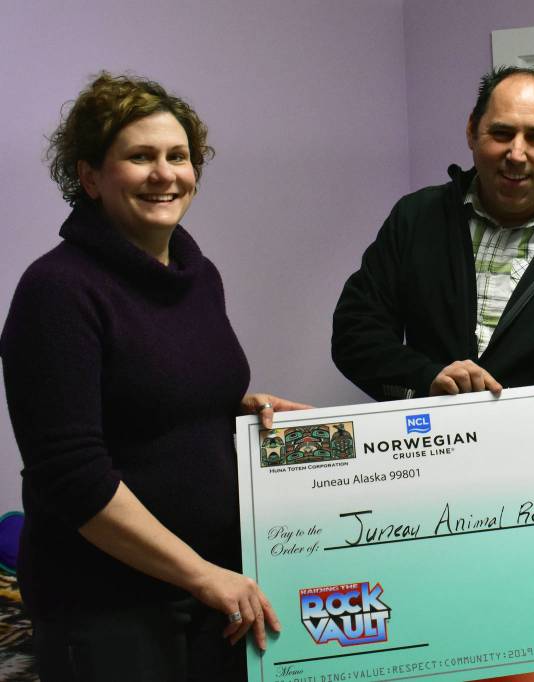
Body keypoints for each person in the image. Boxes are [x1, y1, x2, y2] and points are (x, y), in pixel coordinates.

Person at [0, 72, 311, 681]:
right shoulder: (57, 292)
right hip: (109, 609)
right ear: (89, 177)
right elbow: (72, 475)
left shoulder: (198, 275)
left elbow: (154, 399)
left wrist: (232, 409)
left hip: (209, 597)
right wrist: (202, 574)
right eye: (139, 156)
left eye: (178, 156)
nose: (165, 173)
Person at [332, 66, 534, 400]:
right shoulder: (416, 219)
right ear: (472, 130)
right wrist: (426, 377)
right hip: (433, 444)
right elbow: (355, 334)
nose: (516, 154)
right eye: (501, 133)